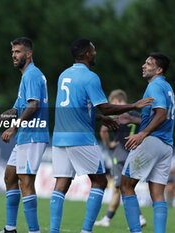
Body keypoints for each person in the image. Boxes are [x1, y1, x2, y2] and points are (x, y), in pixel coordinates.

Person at [50, 38, 154, 233]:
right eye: (94, 50)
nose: (95, 53)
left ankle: (54, 231)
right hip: (80, 137)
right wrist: (134, 105)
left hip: (59, 136)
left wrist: (98, 118)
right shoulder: (90, 77)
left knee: (61, 183)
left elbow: (76, 108)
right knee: (100, 181)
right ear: (87, 53)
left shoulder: (64, 75)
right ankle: (86, 230)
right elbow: (106, 107)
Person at [0, 37, 49, 233]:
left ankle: (34, 231)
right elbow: (17, 108)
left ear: (28, 54)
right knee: (10, 177)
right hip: (25, 137)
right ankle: (10, 228)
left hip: (33, 135)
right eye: (12, 52)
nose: (14, 55)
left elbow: (33, 105)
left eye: (18, 52)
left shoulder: (32, 75)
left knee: (26, 181)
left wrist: (13, 127)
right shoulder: (26, 76)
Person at [121, 53, 174, 233]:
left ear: (159, 70)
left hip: (151, 142)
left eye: (149, 63)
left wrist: (142, 133)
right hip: (166, 146)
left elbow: (161, 114)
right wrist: (134, 119)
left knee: (126, 185)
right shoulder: (167, 87)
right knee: (157, 193)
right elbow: (162, 117)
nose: (144, 65)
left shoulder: (155, 86)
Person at [95, 90, 146, 227]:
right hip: (136, 154)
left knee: (122, 187)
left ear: (116, 101)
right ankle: (107, 219)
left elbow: (103, 131)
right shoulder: (136, 114)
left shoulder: (116, 114)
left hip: (120, 154)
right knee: (122, 187)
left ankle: (139, 217)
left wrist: (108, 145)